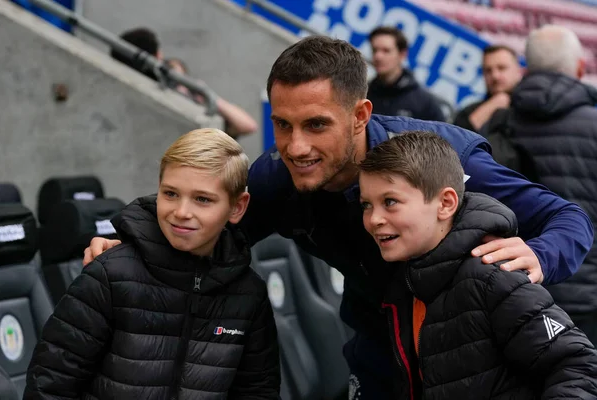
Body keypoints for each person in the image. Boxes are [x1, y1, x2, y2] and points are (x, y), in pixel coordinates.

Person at [84, 36, 594, 399]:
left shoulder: (440, 157)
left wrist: (538, 254)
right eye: (281, 125)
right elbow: (196, 208)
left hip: (474, 370)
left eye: (316, 125)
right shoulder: (279, 177)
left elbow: (569, 219)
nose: (295, 146)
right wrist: (118, 236)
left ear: (361, 115)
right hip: (376, 362)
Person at [24, 129, 280, 399]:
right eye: (170, 193)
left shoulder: (249, 294)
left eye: (202, 199)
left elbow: (258, 392)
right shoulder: (109, 275)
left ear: (238, 207)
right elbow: (49, 387)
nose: (181, 212)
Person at [358, 130, 597, 399]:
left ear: (446, 203)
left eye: (390, 202)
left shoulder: (492, 276)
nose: (374, 219)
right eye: (366, 205)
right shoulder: (403, 284)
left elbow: (578, 365)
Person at [484, 25, 597, 345]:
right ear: (579, 68)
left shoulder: (498, 120)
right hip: (587, 293)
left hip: (515, 286)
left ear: (526, 69)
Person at [367, 27, 446, 121]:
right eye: (374, 50)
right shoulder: (363, 93)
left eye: (386, 51)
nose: (378, 56)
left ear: (402, 54)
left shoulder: (425, 103)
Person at [165, 58, 258, 138]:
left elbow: (249, 126)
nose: (180, 90)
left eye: (182, 81)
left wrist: (206, 95)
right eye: (174, 83)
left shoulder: (202, 109)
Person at [453, 44, 523, 132]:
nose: (495, 76)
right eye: (488, 70)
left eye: (502, 68)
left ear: (519, 71)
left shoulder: (533, 106)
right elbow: (455, 140)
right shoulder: (469, 112)